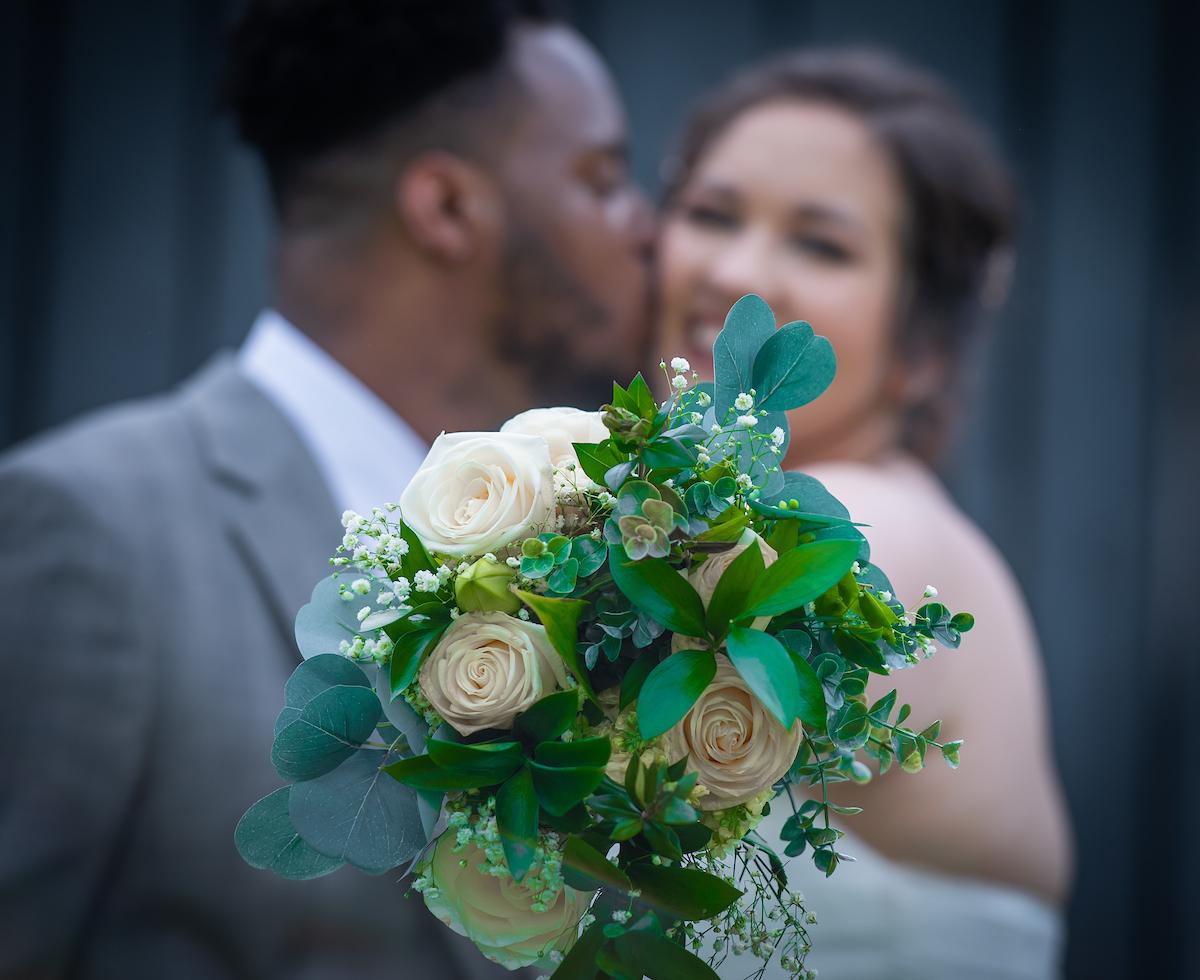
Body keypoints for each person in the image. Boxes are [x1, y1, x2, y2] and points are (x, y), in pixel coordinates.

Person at [0, 2, 651, 977]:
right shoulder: (93, 530)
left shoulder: (606, 565)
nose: (648, 226)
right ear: (447, 209)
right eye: (602, 181)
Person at [656, 48, 1072, 978]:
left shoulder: (890, 533)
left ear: (923, 347)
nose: (738, 274)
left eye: (822, 244)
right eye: (711, 215)